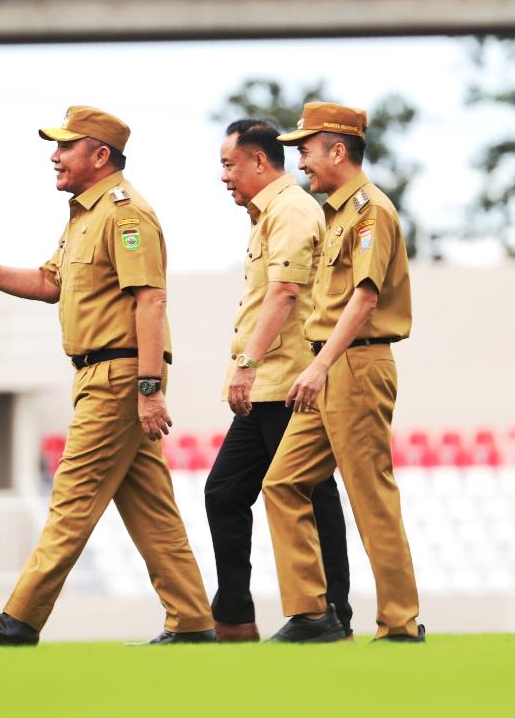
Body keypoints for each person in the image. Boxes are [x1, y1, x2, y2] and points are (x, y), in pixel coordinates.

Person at [0, 105, 215, 646]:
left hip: (119, 376)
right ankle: (194, 621)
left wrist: (149, 389)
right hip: (100, 375)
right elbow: (48, 282)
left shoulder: (124, 213)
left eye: (65, 146)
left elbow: (150, 299)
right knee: (152, 510)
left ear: (100, 155)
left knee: (72, 497)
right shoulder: (85, 215)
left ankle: (22, 618)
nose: (54, 156)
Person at [261, 102, 425, 643]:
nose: (300, 160)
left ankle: (400, 623)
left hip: (353, 364)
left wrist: (320, 365)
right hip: (329, 366)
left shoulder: (369, 211)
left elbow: (364, 299)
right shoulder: (336, 212)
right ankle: (313, 615)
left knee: (369, 494)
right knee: (283, 483)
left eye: (305, 148)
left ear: (338, 150)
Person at [205, 119, 353, 643]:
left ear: (260, 162)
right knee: (225, 493)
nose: (223, 176)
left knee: (311, 494)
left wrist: (245, 363)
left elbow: (285, 293)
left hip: (289, 381)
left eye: (229, 164)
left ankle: (331, 615)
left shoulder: (290, 210)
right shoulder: (266, 216)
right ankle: (235, 619)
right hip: (269, 383)